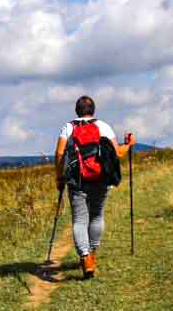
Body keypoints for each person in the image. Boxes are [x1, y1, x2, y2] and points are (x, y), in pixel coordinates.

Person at [54, 95, 135, 279]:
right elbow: (117, 153)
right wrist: (129, 145)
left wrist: (59, 177)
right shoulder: (103, 126)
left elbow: (59, 154)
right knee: (97, 215)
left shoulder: (68, 127)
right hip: (101, 178)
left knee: (79, 220)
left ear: (76, 110)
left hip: (77, 180)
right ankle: (92, 252)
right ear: (93, 110)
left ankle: (85, 257)